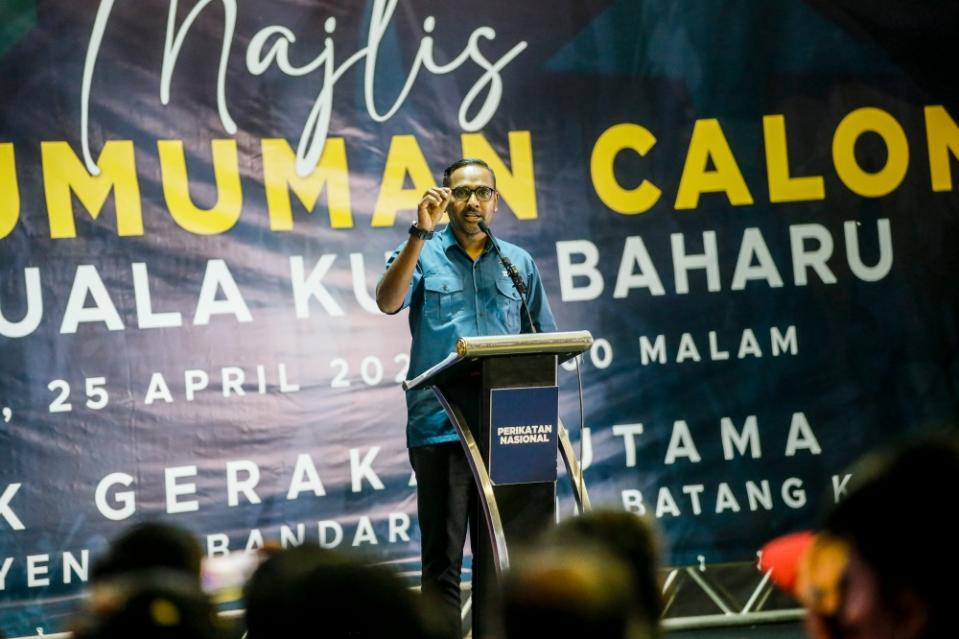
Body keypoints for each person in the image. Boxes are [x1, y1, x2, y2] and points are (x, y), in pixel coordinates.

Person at [376, 157, 557, 639]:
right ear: (446, 198)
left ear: (495, 201)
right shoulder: (422, 251)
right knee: (443, 563)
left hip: (510, 430)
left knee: (500, 558)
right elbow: (388, 301)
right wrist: (419, 232)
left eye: (482, 192)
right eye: (461, 192)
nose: (472, 200)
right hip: (441, 425)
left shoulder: (517, 263)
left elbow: (548, 342)